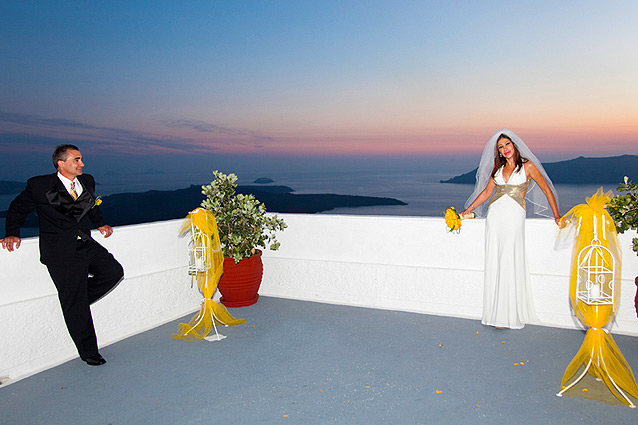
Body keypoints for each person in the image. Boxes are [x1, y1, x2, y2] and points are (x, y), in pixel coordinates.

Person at [1, 144, 124, 366]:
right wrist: (12, 233)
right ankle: (89, 353)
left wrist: (100, 223)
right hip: (60, 252)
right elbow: (18, 208)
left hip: (85, 244)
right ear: (61, 163)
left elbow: (91, 206)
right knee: (75, 303)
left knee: (113, 271)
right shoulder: (40, 185)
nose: (82, 164)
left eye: (81, 159)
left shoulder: (86, 181)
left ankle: (75, 303)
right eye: (77, 160)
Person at [461, 129, 560, 329]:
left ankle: (507, 315)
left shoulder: (528, 166)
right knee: (496, 260)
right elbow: (487, 192)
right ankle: (496, 312)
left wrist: (556, 214)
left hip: (514, 215)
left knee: (508, 258)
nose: (504, 149)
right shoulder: (497, 170)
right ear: (497, 151)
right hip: (495, 216)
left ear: (514, 145)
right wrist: (468, 210)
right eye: (500, 147)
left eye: (507, 144)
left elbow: (546, 189)